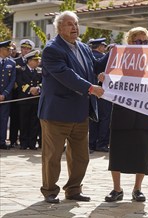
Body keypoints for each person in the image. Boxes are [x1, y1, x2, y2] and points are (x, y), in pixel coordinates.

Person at [37, 11, 108, 204]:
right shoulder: (52, 49)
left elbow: (95, 66)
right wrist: (90, 87)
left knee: (81, 157)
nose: (74, 27)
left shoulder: (84, 47)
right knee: (52, 156)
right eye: (69, 24)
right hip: (57, 112)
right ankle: (50, 190)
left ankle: (74, 189)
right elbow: (65, 74)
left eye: (76, 23)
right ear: (59, 28)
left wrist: (114, 53)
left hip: (80, 112)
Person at [104, 27, 148, 203]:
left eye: (145, 41)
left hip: (147, 108)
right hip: (123, 108)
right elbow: (109, 75)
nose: (142, 45)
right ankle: (116, 189)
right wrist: (104, 77)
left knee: (142, 151)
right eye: (138, 41)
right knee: (117, 151)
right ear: (130, 42)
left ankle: (137, 189)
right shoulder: (119, 56)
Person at [9, 39, 34, 148]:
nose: (25, 50)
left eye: (28, 48)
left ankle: (28, 140)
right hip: (17, 94)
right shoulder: (15, 61)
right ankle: (13, 140)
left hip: (30, 96)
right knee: (15, 119)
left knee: (29, 120)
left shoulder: (35, 61)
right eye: (23, 48)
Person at [87, 38, 111, 153]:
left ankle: (91, 143)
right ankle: (101, 144)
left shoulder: (87, 56)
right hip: (103, 91)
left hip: (91, 91)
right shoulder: (104, 58)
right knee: (105, 118)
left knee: (93, 118)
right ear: (100, 47)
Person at [16, 49, 42, 150]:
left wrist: (38, 88)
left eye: (38, 60)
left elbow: (43, 82)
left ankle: (32, 143)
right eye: (35, 60)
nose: (38, 62)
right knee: (24, 122)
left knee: (34, 123)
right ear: (29, 61)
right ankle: (24, 143)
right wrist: (29, 90)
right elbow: (19, 82)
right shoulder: (21, 70)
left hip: (35, 101)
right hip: (24, 100)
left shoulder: (40, 71)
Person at [0, 40, 16, 150]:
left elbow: (12, 81)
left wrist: (4, 94)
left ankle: (2, 141)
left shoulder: (12, 63)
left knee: (4, 119)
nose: (9, 51)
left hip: (5, 97)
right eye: (7, 49)